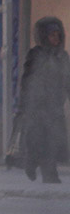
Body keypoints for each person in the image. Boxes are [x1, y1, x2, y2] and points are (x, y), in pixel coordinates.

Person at [16, 16, 70, 183]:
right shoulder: (36, 54)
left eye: (58, 35)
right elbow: (27, 81)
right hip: (38, 107)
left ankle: (49, 175)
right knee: (40, 140)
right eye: (52, 35)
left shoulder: (63, 57)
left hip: (55, 107)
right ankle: (32, 164)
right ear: (44, 36)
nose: (56, 38)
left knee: (54, 141)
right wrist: (25, 104)